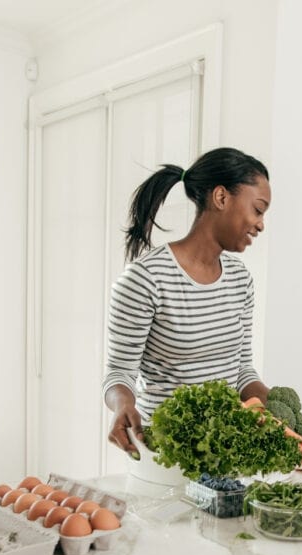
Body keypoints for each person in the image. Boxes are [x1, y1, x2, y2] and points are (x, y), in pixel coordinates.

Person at [103, 147, 271, 457]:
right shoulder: (147, 278)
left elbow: (242, 370)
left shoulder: (239, 278)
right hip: (165, 454)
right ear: (221, 198)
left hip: (226, 452)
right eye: (258, 210)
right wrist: (123, 404)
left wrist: (277, 408)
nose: (261, 224)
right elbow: (118, 373)